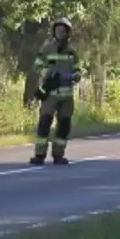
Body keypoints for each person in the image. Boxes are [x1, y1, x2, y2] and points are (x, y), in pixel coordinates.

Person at [31, 16, 80, 166]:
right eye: (57, 30)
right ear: (53, 31)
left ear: (67, 33)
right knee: (44, 123)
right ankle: (39, 155)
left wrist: (74, 76)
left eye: (63, 30)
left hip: (66, 96)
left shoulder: (72, 52)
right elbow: (37, 65)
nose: (60, 33)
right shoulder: (47, 48)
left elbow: (78, 70)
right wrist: (47, 73)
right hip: (50, 94)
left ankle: (58, 155)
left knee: (64, 126)